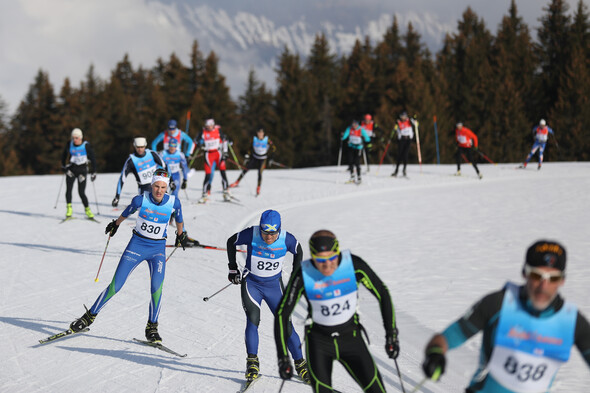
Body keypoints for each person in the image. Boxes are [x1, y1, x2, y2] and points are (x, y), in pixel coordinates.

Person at [422, 240, 590, 392]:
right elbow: (450, 336)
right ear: (525, 273)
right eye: (537, 275)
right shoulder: (498, 304)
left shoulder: (572, 322)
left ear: (562, 281)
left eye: (553, 278)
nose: (543, 286)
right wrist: (435, 354)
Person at [68, 169, 190, 343]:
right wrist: (115, 224)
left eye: (163, 187)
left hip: (157, 251)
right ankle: (89, 316)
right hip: (137, 246)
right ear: (151, 185)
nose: (159, 191)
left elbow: (179, 218)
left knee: (157, 288)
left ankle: (152, 327)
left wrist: (181, 234)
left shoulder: (174, 202)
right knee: (116, 285)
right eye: (156, 186)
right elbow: (127, 212)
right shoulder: (141, 199)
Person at [274, 230, 399, 392]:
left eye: (331, 258)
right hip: (319, 344)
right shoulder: (304, 274)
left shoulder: (353, 266)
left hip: (351, 340)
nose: (327, 265)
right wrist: (283, 357)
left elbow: (383, 293)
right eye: (320, 260)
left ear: (337, 252)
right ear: (312, 256)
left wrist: (391, 334)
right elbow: (282, 314)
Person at [226, 209, 309, 383]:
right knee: (253, 320)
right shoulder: (252, 233)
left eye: (272, 233)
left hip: (274, 288)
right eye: (265, 232)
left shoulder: (287, 239)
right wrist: (233, 268)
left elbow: (298, 251)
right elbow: (231, 241)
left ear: (279, 229)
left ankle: (301, 364)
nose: (268, 237)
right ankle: (252, 363)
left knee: (285, 325)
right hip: (252, 285)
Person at [112, 137, 166, 208]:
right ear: (134, 146)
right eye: (138, 147)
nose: (140, 149)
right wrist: (117, 196)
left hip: (158, 184)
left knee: (166, 208)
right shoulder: (131, 161)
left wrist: (171, 181)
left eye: (142, 147)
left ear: (145, 146)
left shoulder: (152, 154)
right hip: (144, 188)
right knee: (150, 211)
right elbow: (122, 179)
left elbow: (165, 166)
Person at [60, 128, 97, 219]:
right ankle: (69, 210)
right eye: (73, 138)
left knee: (81, 192)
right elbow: (64, 155)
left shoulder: (86, 145)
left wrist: (94, 172)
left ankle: (87, 210)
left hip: (82, 171)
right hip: (72, 169)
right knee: (68, 190)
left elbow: (93, 159)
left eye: (76, 138)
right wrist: (63, 166)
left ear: (80, 138)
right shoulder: (69, 144)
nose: (74, 140)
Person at [229, 127, 276, 196]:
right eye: (259, 133)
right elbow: (250, 148)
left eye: (261, 133)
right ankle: (237, 182)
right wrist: (247, 155)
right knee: (245, 169)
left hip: (263, 159)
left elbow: (274, 148)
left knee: (260, 173)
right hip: (255, 158)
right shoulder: (254, 139)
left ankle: (258, 187)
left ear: (263, 133)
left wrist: (271, 158)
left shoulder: (267, 140)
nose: (260, 134)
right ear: (257, 133)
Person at [195, 119, 231, 202]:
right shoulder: (203, 131)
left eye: (210, 126)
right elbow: (196, 141)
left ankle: (226, 192)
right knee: (208, 175)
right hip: (208, 155)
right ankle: (204, 194)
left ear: (213, 125)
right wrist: (199, 144)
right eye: (207, 126)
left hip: (218, 153)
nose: (208, 128)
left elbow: (225, 140)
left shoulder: (218, 130)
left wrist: (225, 152)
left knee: (223, 173)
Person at [341, 120, 370, 184]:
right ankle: (352, 177)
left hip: (358, 148)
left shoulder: (361, 129)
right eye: (353, 125)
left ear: (357, 124)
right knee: (350, 162)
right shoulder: (349, 129)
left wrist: (364, 138)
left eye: (355, 125)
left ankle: (359, 177)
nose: (354, 126)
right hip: (351, 146)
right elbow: (345, 136)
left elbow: (368, 139)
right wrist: (342, 136)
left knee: (357, 162)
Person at [390, 112, 417, 177]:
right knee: (399, 155)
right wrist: (394, 129)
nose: (403, 118)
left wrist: (415, 121)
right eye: (402, 116)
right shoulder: (398, 122)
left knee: (405, 154)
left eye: (404, 116)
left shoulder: (409, 121)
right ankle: (396, 170)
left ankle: (404, 170)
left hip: (408, 139)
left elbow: (417, 125)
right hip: (401, 139)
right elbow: (395, 130)